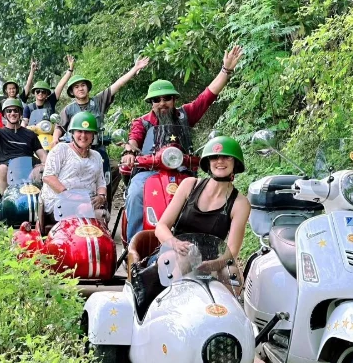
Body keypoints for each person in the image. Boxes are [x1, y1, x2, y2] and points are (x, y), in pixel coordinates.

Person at [123, 46, 243, 242]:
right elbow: (133, 139)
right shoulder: (142, 122)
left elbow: (208, 96)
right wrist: (129, 151)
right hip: (149, 171)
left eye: (167, 98)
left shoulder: (185, 114)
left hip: (183, 172)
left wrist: (226, 70)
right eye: (157, 99)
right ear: (151, 102)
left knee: (205, 196)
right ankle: (135, 246)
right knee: (136, 192)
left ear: (174, 99)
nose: (162, 103)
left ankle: (204, 242)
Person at [136, 136, 251, 279]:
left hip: (210, 260)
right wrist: (175, 243)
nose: (220, 161)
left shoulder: (240, 203)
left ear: (235, 162)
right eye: (214, 157)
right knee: (184, 259)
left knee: (232, 273)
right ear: (208, 163)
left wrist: (213, 265)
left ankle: (223, 302)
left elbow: (232, 250)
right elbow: (161, 226)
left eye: (227, 157)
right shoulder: (189, 185)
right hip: (174, 252)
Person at [51, 55, 150, 146]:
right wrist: (55, 139)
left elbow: (118, 84)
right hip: (75, 149)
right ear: (72, 92)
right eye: (76, 87)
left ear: (87, 87)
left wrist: (135, 68)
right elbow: (59, 127)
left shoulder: (99, 100)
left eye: (83, 85)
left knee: (107, 163)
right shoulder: (68, 109)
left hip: (97, 146)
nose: (80, 89)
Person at [41, 112, 108, 222]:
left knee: (103, 215)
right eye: (79, 131)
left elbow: (101, 183)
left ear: (93, 135)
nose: (83, 136)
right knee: (94, 215)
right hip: (60, 202)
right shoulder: (61, 149)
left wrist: (101, 197)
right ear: (72, 133)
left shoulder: (96, 156)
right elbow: (48, 176)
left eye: (87, 132)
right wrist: (70, 196)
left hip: (87, 204)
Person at [21, 56, 75, 125]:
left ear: (47, 94)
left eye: (43, 92)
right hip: (33, 133)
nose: (40, 93)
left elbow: (61, 85)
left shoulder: (51, 101)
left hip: (50, 133)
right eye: (38, 91)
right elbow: (24, 122)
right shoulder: (28, 108)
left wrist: (70, 69)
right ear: (34, 93)